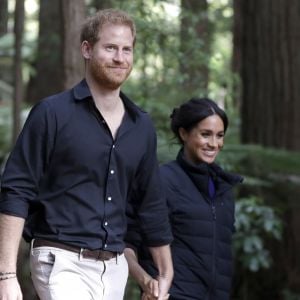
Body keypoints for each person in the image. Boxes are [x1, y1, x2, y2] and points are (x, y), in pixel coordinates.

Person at [0, 9, 173, 300]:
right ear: (87, 49)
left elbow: (151, 204)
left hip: (114, 268)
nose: (120, 57)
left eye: (126, 49)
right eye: (110, 48)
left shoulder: (141, 126)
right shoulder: (52, 113)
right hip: (60, 259)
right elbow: (16, 190)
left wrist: (165, 273)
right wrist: (6, 274)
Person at [125, 97, 243, 300]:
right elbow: (127, 243)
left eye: (220, 135)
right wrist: (147, 282)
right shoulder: (161, 181)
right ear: (184, 133)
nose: (214, 144)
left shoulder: (224, 189)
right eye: (205, 134)